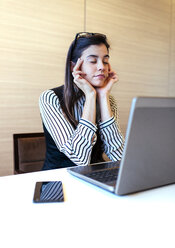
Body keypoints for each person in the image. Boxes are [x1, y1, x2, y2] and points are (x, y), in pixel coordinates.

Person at [39, 32, 124, 171]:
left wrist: (103, 96)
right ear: (74, 67)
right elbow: (80, 158)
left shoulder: (108, 100)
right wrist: (90, 96)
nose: (102, 67)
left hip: (95, 177)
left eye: (105, 61)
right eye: (93, 61)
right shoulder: (50, 98)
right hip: (59, 180)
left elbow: (119, 156)